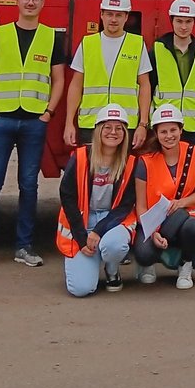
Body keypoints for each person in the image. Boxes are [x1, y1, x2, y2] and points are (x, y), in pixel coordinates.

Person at [0, 0, 67, 270]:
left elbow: (59, 78)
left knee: (29, 186)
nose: (30, 2)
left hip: (34, 121)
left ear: (43, 2)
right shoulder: (0, 35)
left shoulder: (51, 37)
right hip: (1, 119)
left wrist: (48, 112)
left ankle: (24, 246)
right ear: (17, 1)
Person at [56, 104, 138, 297]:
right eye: (107, 127)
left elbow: (126, 205)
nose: (113, 132)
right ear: (98, 130)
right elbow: (67, 196)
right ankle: (92, 260)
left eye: (119, 128)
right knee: (81, 289)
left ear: (125, 134)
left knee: (115, 246)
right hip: (83, 221)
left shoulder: (131, 162)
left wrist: (99, 231)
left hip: (112, 221)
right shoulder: (80, 157)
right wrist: (81, 238)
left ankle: (112, 269)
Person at [132, 103, 195, 290]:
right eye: (163, 131)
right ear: (156, 134)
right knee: (143, 253)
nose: (169, 136)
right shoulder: (145, 161)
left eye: (173, 130)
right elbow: (140, 206)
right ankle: (147, 265)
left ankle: (186, 264)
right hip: (154, 221)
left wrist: (181, 203)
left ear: (181, 130)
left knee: (194, 228)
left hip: (184, 216)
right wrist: (153, 232)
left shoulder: (194, 153)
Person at [64, 0, 150, 151]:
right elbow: (76, 85)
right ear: (102, 15)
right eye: (109, 14)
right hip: (92, 123)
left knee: (124, 167)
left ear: (126, 17)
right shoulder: (88, 43)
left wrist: (143, 124)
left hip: (125, 124)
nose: (113, 19)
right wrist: (69, 122)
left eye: (119, 15)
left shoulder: (137, 44)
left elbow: (145, 85)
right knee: (91, 167)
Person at [151, 0, 195, 147]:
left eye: (188, 21)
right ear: (171, 21)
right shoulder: (158, 49)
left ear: (194, 21)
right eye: (179, 21)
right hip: (165, 123)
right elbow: (150, 84)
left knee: (193, 162)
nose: (183, 27)